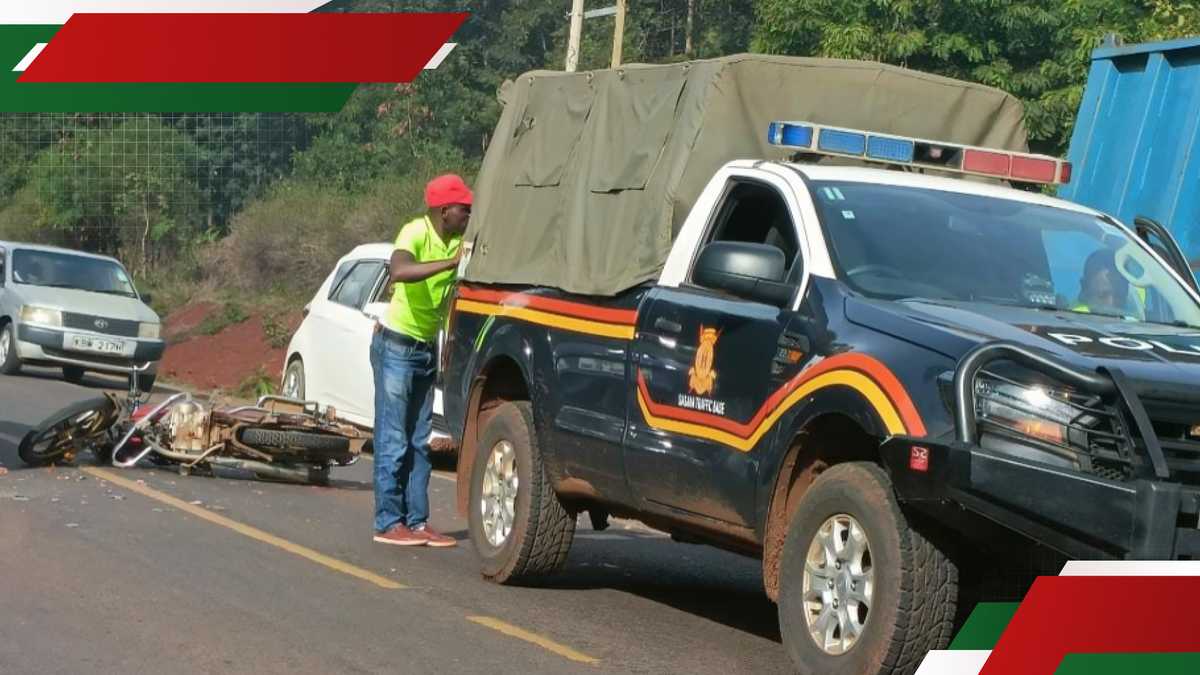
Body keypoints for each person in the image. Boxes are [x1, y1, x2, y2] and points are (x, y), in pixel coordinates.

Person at [371, 174, 472, 548]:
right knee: (394, 437)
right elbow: (399, 270)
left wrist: (446, 337)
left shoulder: (460, 241)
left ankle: (417, 522)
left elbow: (453, 296)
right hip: (396, 345)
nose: (469, 215)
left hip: (425, 347)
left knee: (419, 440)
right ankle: (388, 522)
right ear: (445, 211)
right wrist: (449, 262)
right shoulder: (414, 232)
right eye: (465, 209)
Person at [1074, 248, 1130, 315]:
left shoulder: (1137, 319)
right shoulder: (1069, 320)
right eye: (1102, 295)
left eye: (1119, 296)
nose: (1111, 303)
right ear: (1085, 289)